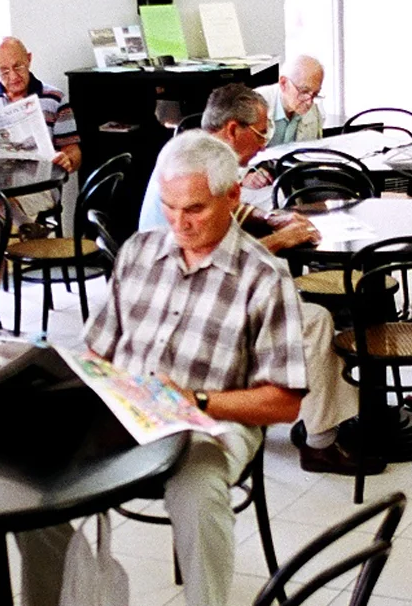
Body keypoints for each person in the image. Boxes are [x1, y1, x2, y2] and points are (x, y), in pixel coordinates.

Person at [22, 132, 306, 606]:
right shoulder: (139, 252)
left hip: (213, 418)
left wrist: (195, 399)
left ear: (233, 196)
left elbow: (283, 404)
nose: (179, 223)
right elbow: (97, 351)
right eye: (168, 208)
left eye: (194, 208)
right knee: (32, 469)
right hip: (127, 409)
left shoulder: (264, 277)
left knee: (196, 480)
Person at [139, 86, 371, 475]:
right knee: (314, 322)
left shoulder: (194, 150)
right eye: (262, 134)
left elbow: (226, 208)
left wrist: (271, 219)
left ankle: (322, 415)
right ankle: (321, 444)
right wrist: (282, 239)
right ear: (233, 129)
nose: (264, 145)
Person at [0, 36, 81, 175]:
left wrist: (68, 159)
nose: (13, 76)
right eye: (4, 71)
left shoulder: (54, 98)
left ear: (29, 59)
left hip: (39, 184)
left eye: (18, 66)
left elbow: (72, 149)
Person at [266, 54, 326, 148]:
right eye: (304, 92)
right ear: (283, 83)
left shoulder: (314, 112)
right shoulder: (254, 105)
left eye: (315, 94)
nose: (309, 102)